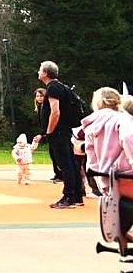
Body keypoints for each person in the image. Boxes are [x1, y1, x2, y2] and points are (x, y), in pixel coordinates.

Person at [33, 60, 83, 208]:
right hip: (65, 130)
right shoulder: (61, 86)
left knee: (65, 164)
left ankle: (68, 197)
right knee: (71, 163)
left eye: (40, 70)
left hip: (58, 131)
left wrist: (49, 131)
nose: (38, 72)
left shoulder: (53, 88)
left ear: (45, 73)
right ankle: (77, 195)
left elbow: (55, 112)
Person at [33, 88, 61, 182]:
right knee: (52, 154)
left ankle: (62, 175)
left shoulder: (49, 107)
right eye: (37, 96)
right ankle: (57, 174)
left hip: (55, 133)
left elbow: (49, 121)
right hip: (48, 133)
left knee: (57, 154)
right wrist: (41, 134)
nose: (39, 98)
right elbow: (43, 124)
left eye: (41, 96)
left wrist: (43, 134)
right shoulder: (39, 108)